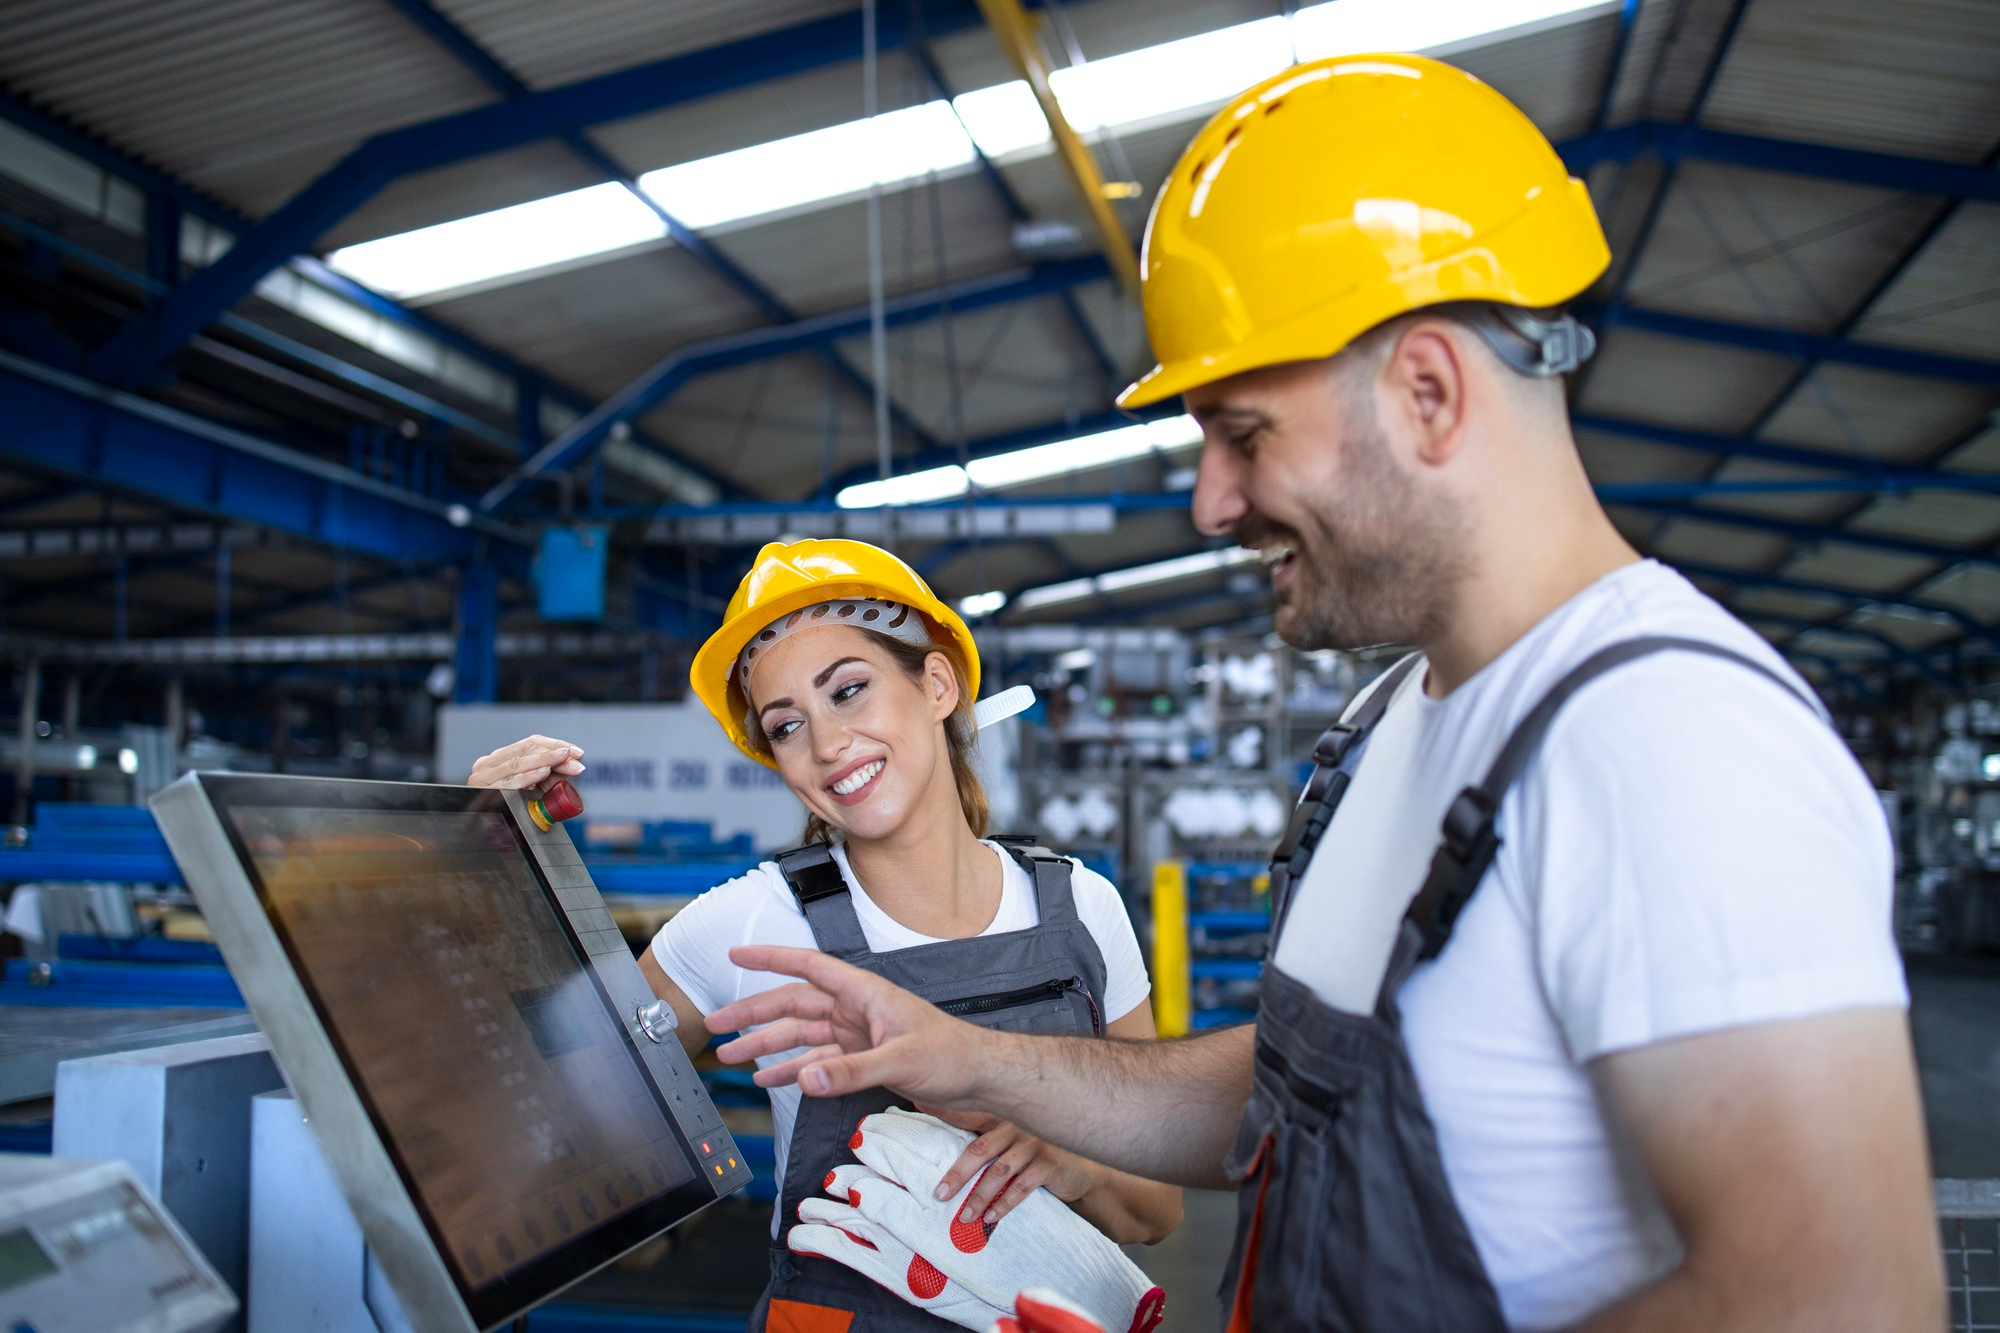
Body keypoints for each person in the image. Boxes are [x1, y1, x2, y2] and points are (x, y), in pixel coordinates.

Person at [697, 53, 1945, 1332]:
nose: (1209, 502)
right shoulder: (1389, 724)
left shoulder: (1668, 746)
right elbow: (1291, 1087)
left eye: (1243, 434)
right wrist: (968, 1056)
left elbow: (1837, 1300)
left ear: (1426, 391)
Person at [470, 539, 1180, 1332]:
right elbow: (552, 1102)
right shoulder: (750, 923)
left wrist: (1074, 1160)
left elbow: (1155, 1208)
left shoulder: (1084, 907)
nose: (827, 743)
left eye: (849, 690)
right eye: (786, 725)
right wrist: (488, 863)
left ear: (937, 682)